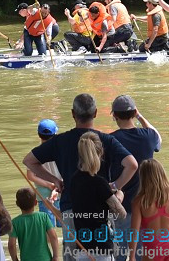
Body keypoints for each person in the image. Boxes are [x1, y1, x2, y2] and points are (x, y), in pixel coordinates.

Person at [23, 94, 138, 257]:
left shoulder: (60, 141)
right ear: (96, 113)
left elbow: (29, 161)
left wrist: (55, 180)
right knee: (102, 251)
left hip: (71, 207)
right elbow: (132, 165)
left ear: (73, 113)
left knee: (72, 254)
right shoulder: (106, 140)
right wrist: (115, 186)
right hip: (101, 210)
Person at [110, 95, 162, 247]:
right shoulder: (149, 137)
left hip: (121, 204)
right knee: (141, 251)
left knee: (119, 251)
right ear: (133, 113)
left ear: (115, 116)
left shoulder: (110, 140)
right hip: (147, 204)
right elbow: (158, 138)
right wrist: (139, 116)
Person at [70, 132, 128, 261]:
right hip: (102, 249)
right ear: (100, 153)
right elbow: (121, 213)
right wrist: (119, 194)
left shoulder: (73, 180)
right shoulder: (99, 183)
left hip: (82, 247)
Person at [128, 159, 169, 261]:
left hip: (152, 248)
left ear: (143, 178)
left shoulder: (139, 201)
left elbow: (134, 232)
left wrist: (132, 256)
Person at [8, 187, 60, 261]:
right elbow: (53, 237)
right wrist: (56, 256)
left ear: (17, 204)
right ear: (36, 202)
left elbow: (11, 245)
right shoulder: (43, 217)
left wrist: (15, 259)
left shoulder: (15, 222)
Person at [27, 119, 62, 225]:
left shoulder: (35, 153)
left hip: (44, 195)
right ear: (55, 134)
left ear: (39, 135)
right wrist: (56, 185)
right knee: (66, 225)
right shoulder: (61, 150)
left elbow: (30, 176)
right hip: (61, 191)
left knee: (48, 227)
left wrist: (49, 185)